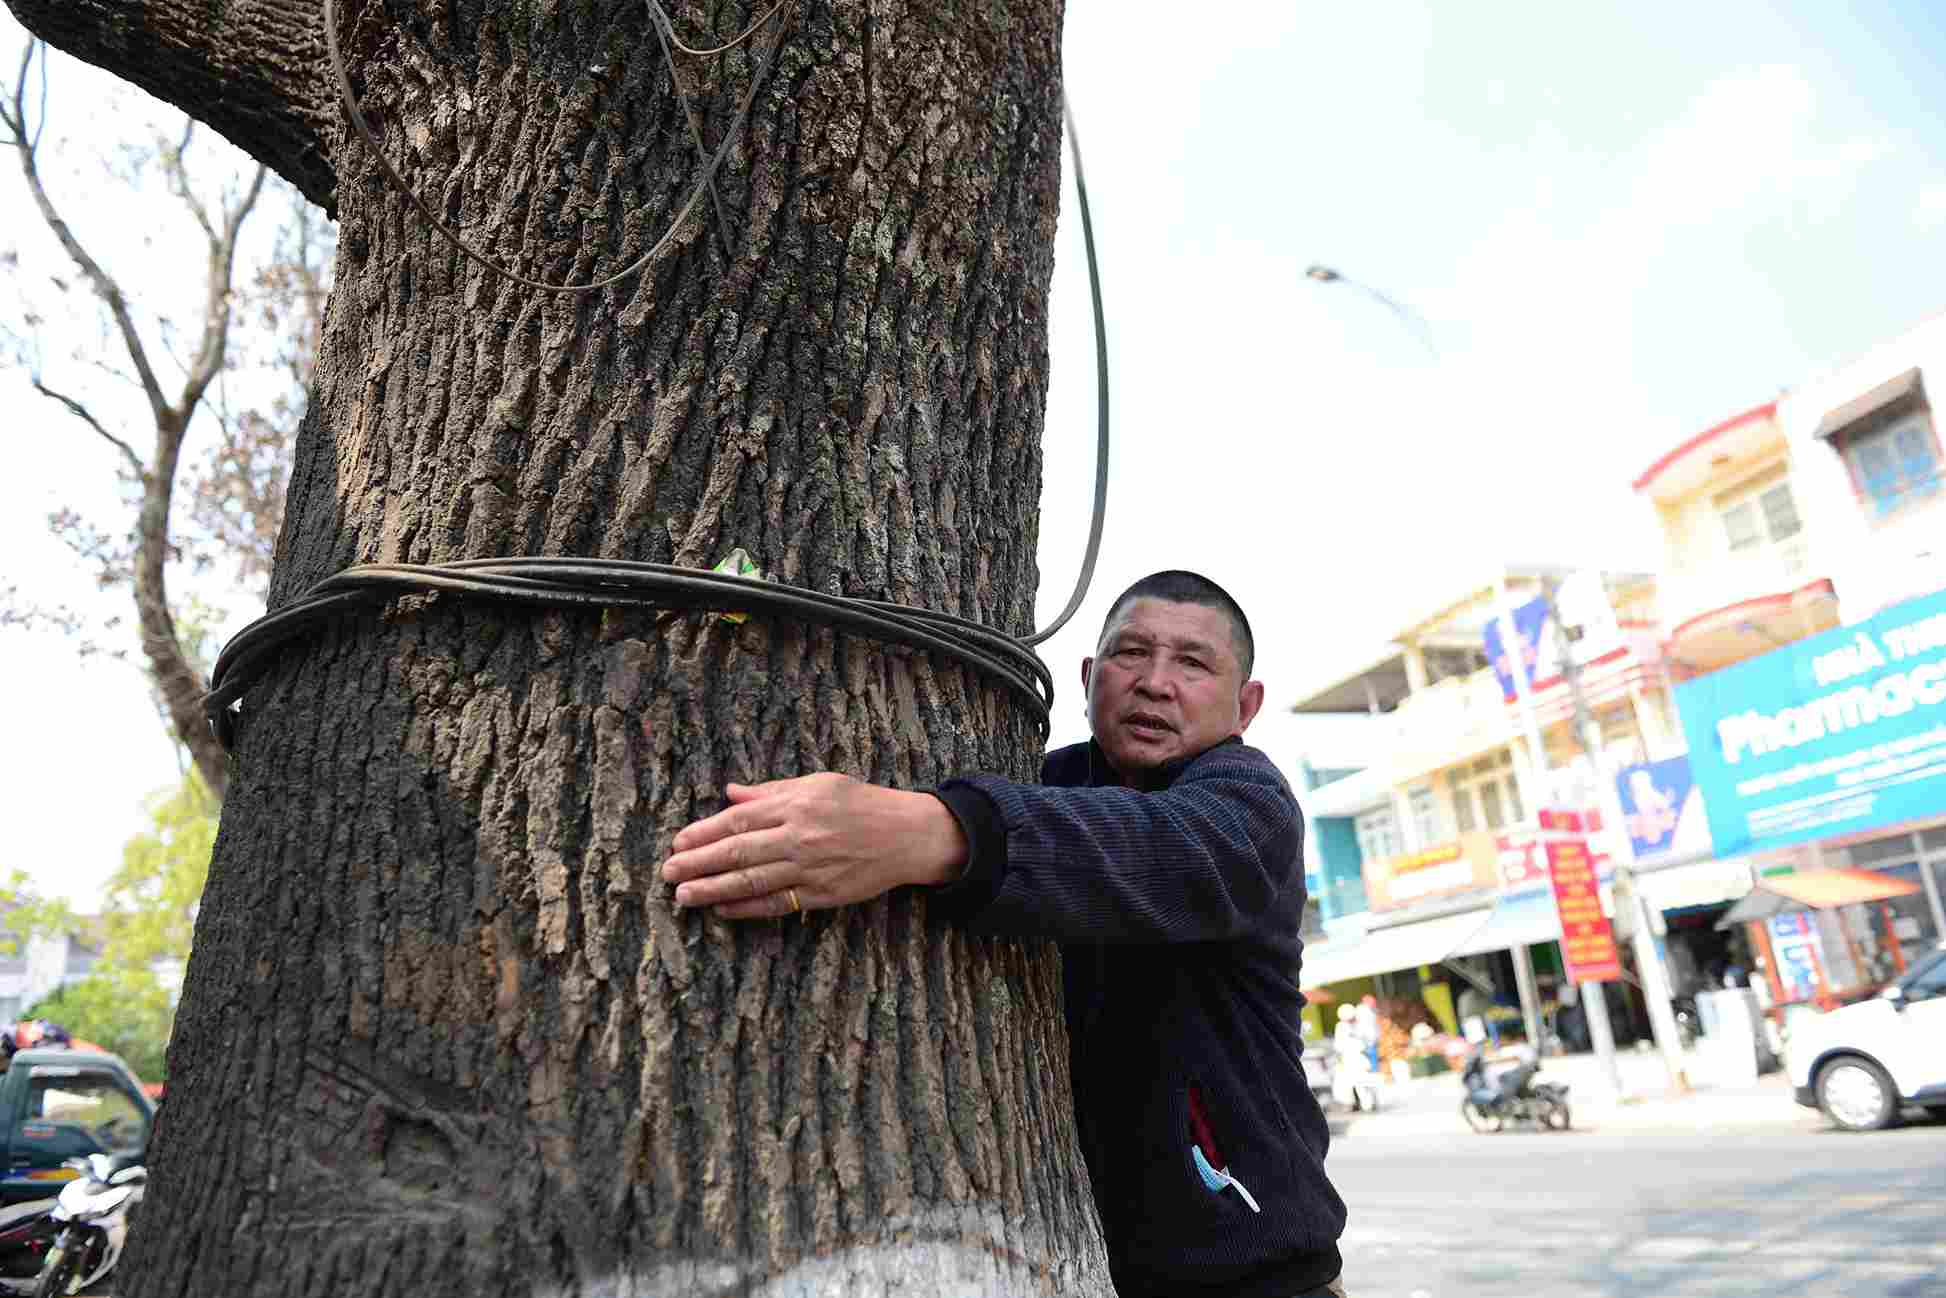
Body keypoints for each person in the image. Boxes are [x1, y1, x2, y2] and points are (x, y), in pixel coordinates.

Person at [664, 571, 1349, 1298]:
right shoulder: (1045, 784)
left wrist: (929, 834)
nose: (1153, 682)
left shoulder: (1250, 805)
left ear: (1246, 705)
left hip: (1260, 1275)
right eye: (1130, 653)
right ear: (1088, 678)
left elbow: (1164, 853)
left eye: (1192, 663)